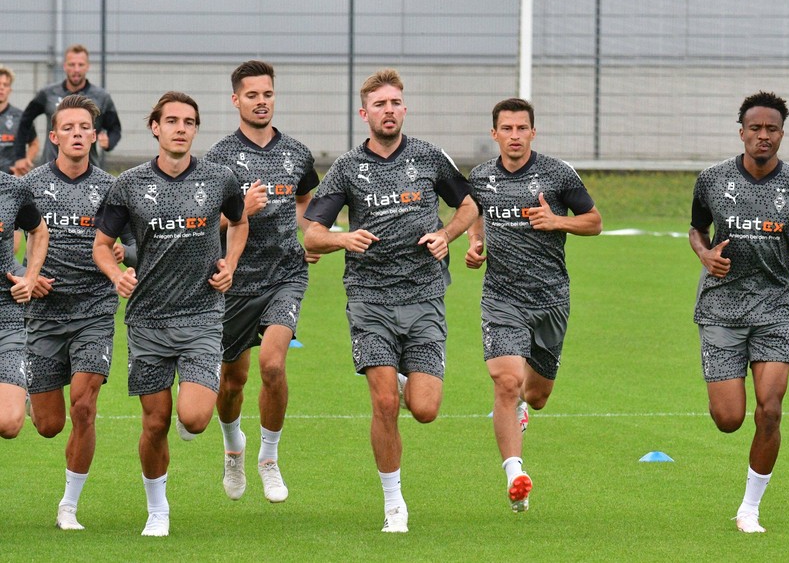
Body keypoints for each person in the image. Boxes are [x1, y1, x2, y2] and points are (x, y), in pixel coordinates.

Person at [304, 68, 478, 533]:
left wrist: (446, 235)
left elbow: (469, 205)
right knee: (384, 402)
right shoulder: (346, 168)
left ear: (404, 109)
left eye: (395, 103)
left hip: (424, 296)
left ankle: (406, 378)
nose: (388, 111)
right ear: (365, 113)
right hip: (370, 300)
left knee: (424, 409)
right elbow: (313, 232)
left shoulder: (428, 157)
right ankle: (393, 503)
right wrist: (344, 240)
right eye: (379, 105)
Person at [93, 91, 248, 537]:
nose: (181, 128)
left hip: (202, 316)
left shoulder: (220, 178)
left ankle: (216, 433)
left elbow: (239, 223)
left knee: (194, 418)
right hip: (147, 323)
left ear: (196, 130)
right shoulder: (128, 184)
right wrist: (115, 274)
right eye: (173, 121)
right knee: (155, 422)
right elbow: (102, 246)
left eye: (190, 121)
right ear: (155, 128)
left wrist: (230, 265)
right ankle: (157, 509)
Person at [688, 91, 789, 534]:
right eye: (756, 129)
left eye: (772, 129)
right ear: (742, 133)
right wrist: (704, 255)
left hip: (774, 308)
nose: (763, 136)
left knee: (770, 410)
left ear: (782, 135)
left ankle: (749, 509)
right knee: (729, 419)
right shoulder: (712, 179)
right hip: (720, 309)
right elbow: (696, 230)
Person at [465, 98, 602, 513]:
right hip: (502, 298)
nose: (514, 136)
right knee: (506, 382)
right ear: (495, 134)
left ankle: (524, 409)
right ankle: (515, 473)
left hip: (551, 299)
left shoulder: (557, 174)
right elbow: (474, 213)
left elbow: (594, 222)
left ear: (533, 133)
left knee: (537, 396)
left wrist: (558, 221)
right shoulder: (481, 177)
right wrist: (476, 242)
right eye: (506, 129)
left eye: (521, 128)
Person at [197, 60, 320, 504]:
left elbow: (307, 200)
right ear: (236, 100)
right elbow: (203, 225)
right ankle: (234, 448)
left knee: (272, 364)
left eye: (267, 93)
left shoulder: (297, 153)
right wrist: (241, 211)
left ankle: (269, 459)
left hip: (285, 275)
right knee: (231, 382)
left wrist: (310, 233)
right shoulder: (218, 159)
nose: (261, 101)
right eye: (252, 95)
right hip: (234, 281)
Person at [19, 95, 134, 531]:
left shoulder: (112, 188)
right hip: (44, 314)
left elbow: (140, 242)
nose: (77, 134)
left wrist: (127, 251)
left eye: (84, 127)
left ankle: (69, 505)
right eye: (67, 128)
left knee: (84, 407)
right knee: (49, 426)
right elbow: (8, 243)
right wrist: (23, 275)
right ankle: (34, 398)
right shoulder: (28, 186)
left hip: (94, 311)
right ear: (53, 136)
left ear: (95, 134)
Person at [12, 44, 122, 175]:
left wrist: (109, 142)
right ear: (64, 66)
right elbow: (25, 120)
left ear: (87, 66)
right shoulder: (48, 94)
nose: (76, 69)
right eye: (72, 64)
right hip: (50, 171)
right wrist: (20, 155)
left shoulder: (101, 97)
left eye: (80, 65)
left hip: (88, 172)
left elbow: (115, 128)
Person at [0, 159, 48, 439]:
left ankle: (21, 390)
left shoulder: (12, 188)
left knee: (9, 424)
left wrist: (29, 277)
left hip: (6, 313)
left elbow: (39, 230)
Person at [0, 65, 39, 174]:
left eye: (5, 85)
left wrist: (25, 162)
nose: (1, 88)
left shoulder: (21, 117)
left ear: (10, 90)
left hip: (11, 179)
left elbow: (34, 144)